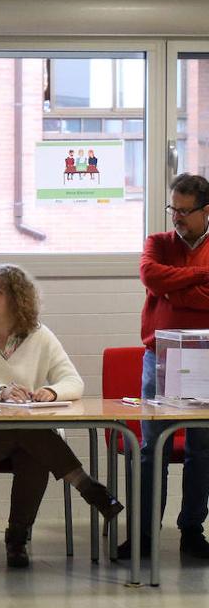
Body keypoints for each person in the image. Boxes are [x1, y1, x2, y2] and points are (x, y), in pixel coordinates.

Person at [0, 264, 123, 568]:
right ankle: (86, 486)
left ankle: (17, 541)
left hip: (24, 435)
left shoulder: (40, 335)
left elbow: (74, 383)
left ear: (17, 297)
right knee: (30, 431)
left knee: (32, 448)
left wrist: (51, 393)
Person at [125, 172, 209, 560]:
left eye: (185, 211)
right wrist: (199, 277)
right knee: (151, 447)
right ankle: (144, 534)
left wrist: (173, 289)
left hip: (205, 357)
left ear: (206, 211)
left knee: (202, 449)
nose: (176, 216)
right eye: (172, 208)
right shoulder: (157, 243)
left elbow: (166, 287)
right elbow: (150, 275)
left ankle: (192, 530)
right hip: (159, 357)